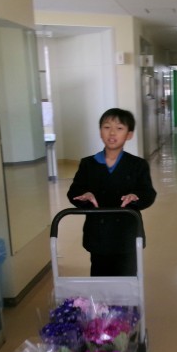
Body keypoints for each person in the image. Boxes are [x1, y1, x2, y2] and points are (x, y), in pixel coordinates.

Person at [67, 108, 157, 277]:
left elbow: (148, 193)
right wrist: (85, 196)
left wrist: (136, 197)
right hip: (98, 234)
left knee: (127, 278)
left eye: (119, 128)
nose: (112, 133)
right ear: (100, 132)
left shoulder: (137, 165)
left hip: (127, 234)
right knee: (100, 277)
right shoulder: (88, 164)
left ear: (129, 135)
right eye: (107, 127)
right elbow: (74, 191)